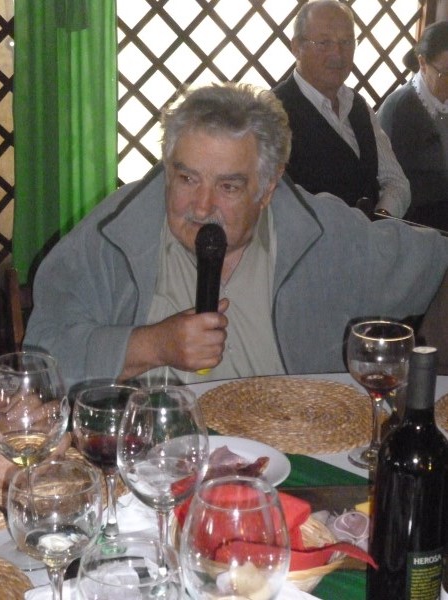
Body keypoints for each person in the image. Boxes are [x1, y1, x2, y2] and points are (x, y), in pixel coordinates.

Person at [23, 82, 448, 393]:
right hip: (153, 464)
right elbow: (41, 356)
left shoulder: (323, 235)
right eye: (187, 178)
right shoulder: (114, 234)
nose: (201, 206)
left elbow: (436, 264)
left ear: (267, 187)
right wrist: (153, 345)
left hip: (297, 464)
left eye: (228, 186)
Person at [273, 0, 410, 218]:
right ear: (296, 47)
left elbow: (396, 181)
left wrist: (380, 218)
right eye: (324, 42)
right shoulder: (273, 113)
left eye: (346, 42)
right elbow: (271, 202)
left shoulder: (358, 105)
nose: (337, 53)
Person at [377, 21, 448, 231]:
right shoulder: (401, 108)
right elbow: (394, 182)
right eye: (446, 74)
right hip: (416, 222)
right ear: (422, 63)